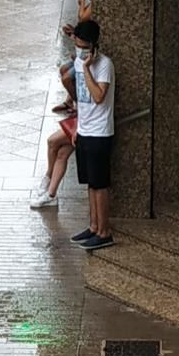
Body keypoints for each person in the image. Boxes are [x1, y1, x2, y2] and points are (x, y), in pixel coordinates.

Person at [67, 20, 116, 250]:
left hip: (100, 133)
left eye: (82, 44)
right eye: (76, 44)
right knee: (90, 183)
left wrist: (87, 68)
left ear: (92, 45)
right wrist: (76, 125)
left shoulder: (104, 65)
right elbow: (81, 98)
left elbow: (98, 96)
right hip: (84, 130)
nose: (78, 49)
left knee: (100, 184)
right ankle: (94, 226)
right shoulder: (77, 61)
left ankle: (104, 231)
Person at [53, 0, 93, 115]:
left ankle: (78, 105)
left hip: (86, 54)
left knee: (67, 78)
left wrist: (81, 4)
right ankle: (70, 101)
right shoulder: (91, 4)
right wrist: (73, 33)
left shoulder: (92, 5)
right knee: (64, 69)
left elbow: (82, 17)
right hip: (81, 53)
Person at [30, 126, 75, 209]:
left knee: (52, 141)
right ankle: (51, 195)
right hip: (81, 122)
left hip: (85, 126)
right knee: (62, 154)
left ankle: (48, 177)